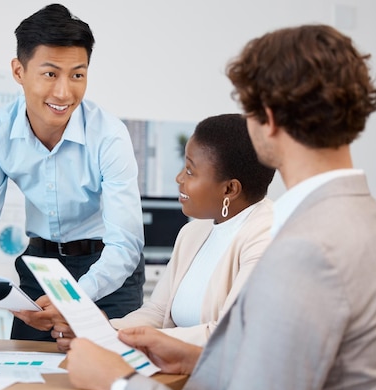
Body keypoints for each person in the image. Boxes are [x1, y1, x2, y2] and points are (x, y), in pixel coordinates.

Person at [64, 24, 376, 390]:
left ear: (267, 119)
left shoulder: (303, 251)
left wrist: (118, 382)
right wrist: (196, 358)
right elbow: (289, 374)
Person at [0, 3, 145, 342]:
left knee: (110, 370)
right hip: (42, 266)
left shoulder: (109, 135)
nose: (64, 92)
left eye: (78, 74)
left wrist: (74, 298)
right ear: (19, 71)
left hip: (107, 268)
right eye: (50, 74)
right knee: (27, 366)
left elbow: (125, 244)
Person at [53, 114, 274, 350]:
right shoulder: (193, 232)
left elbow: (227, 334)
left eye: (190, 171)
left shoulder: (267, 238)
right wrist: (106, 332)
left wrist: (124, 339)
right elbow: (158, 311)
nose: (179, 178)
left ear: (229, 189)